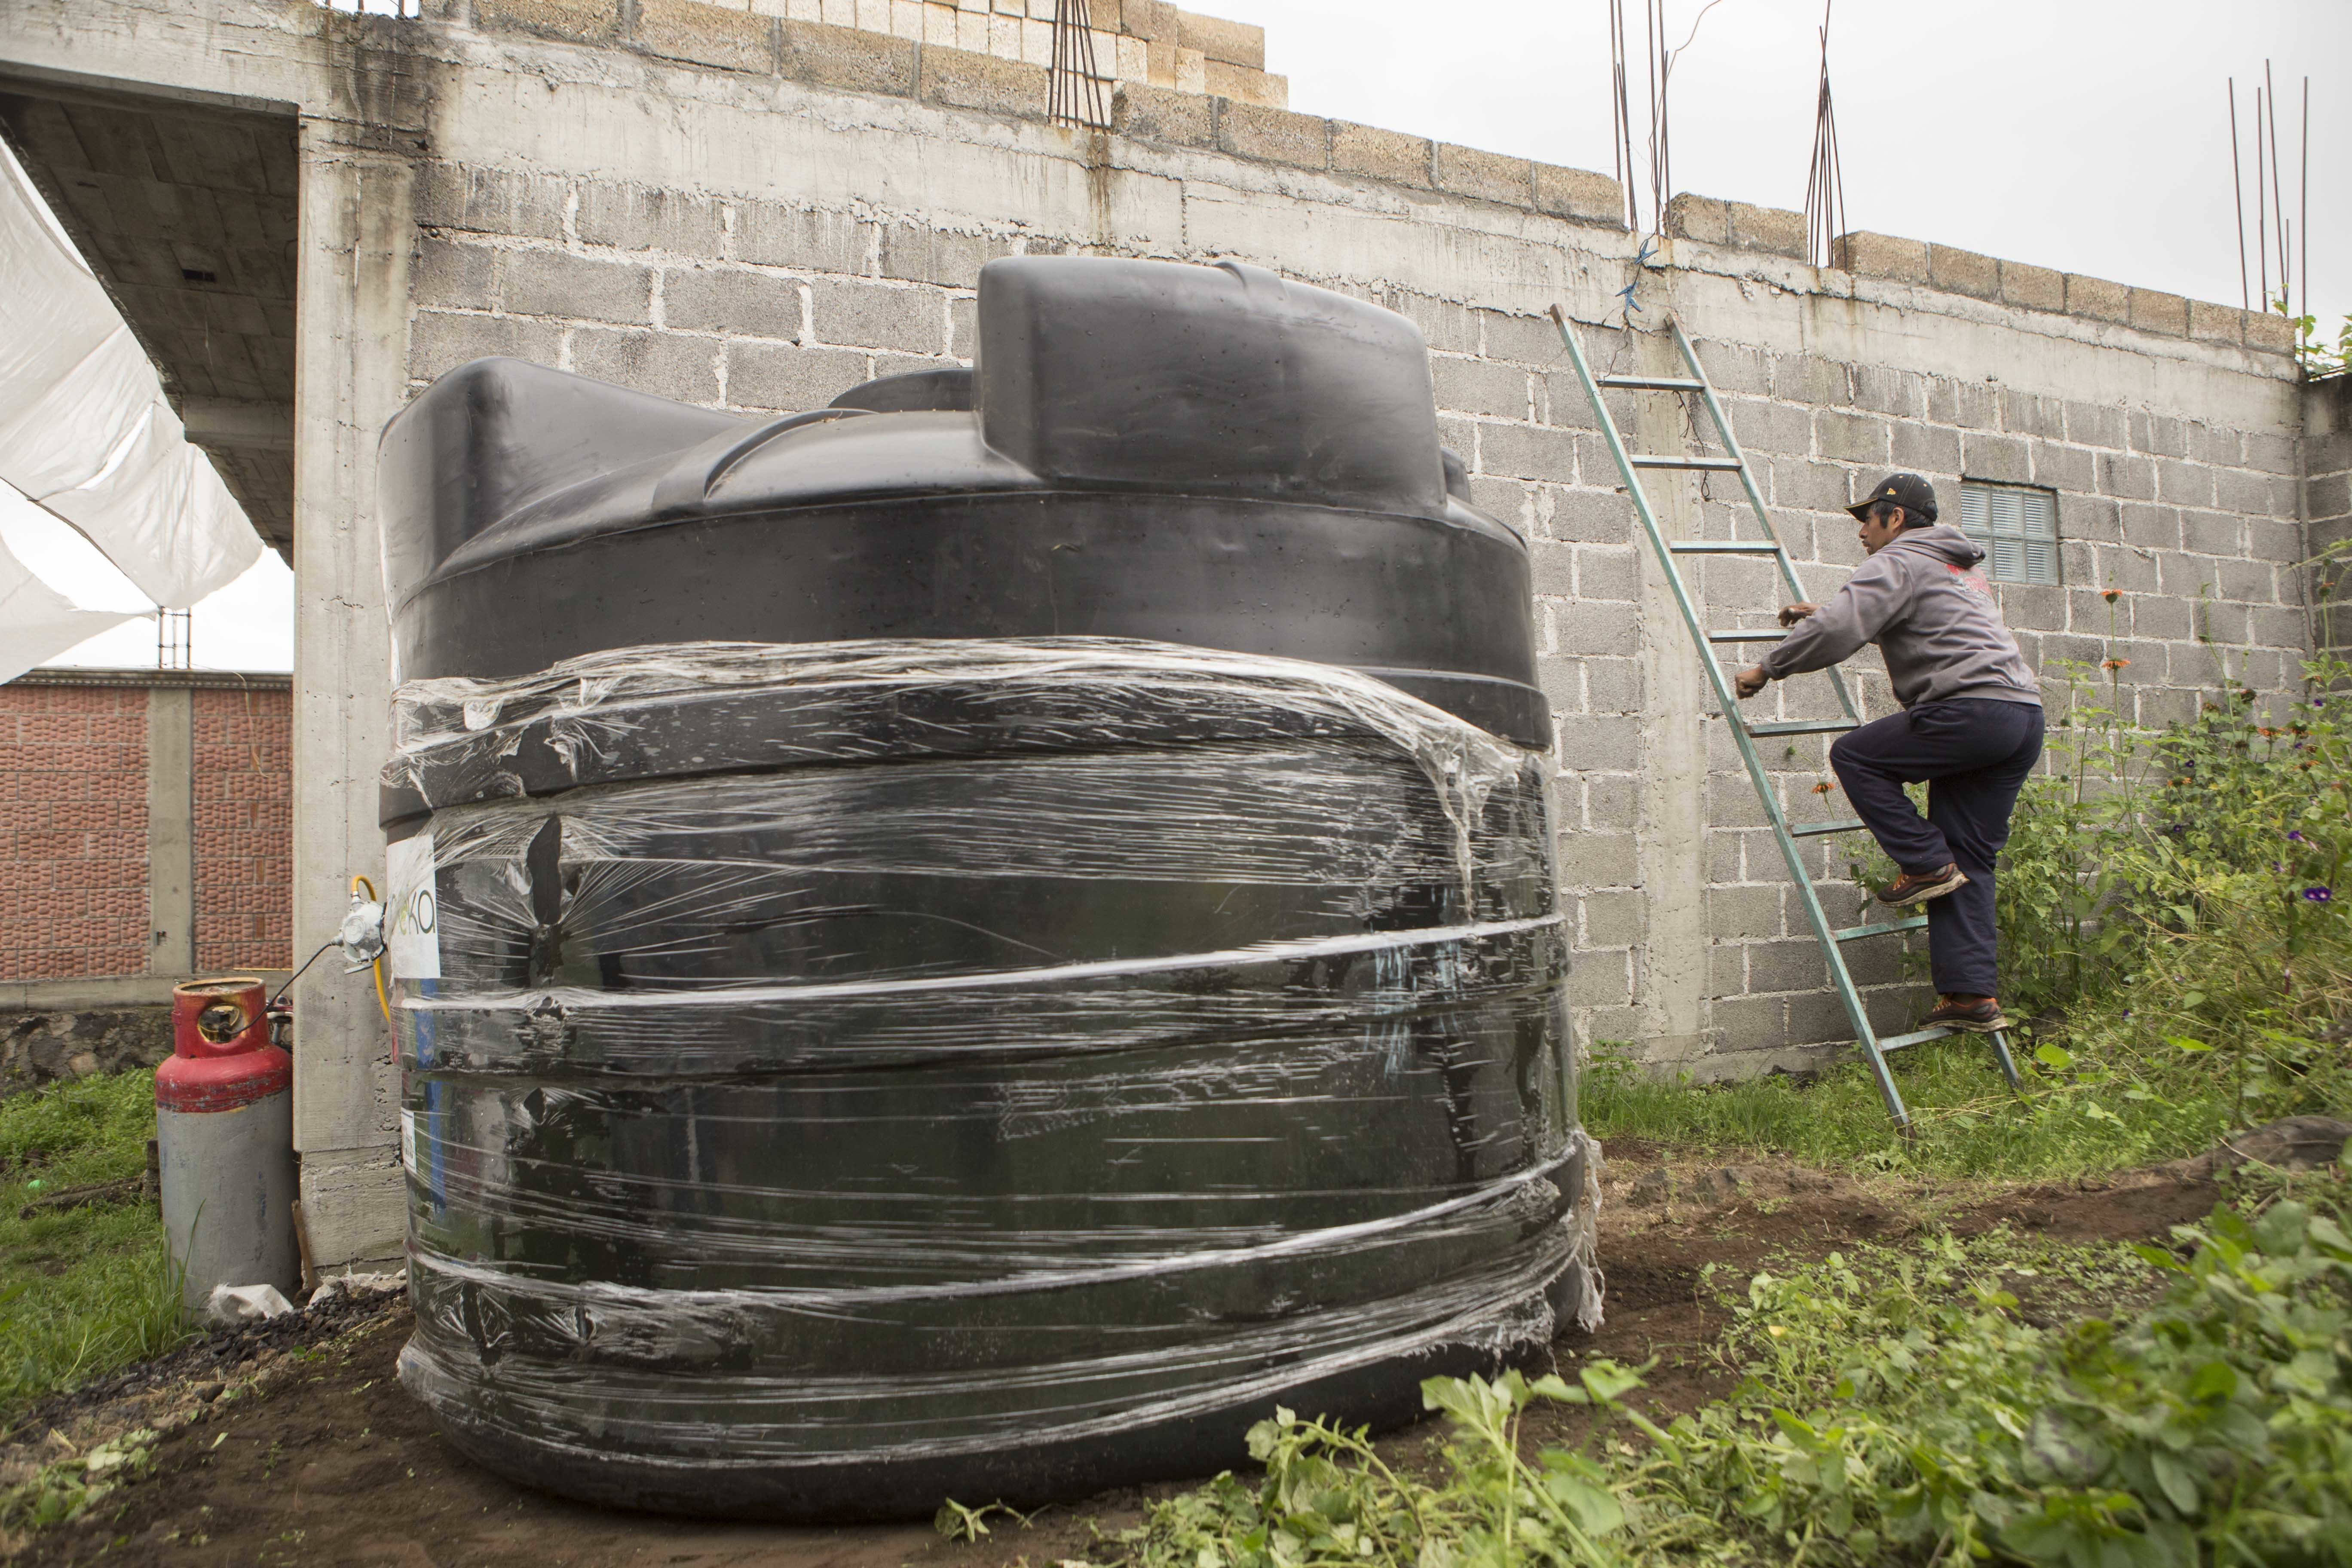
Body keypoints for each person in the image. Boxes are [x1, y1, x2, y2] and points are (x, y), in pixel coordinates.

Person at [1731, 474, 2044, 1033]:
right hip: (2019, 718)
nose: (1861, 533)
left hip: (1968, 712)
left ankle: (1922, 863)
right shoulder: (1955, 566)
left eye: (1866, 519)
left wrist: (1766, 668)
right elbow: (1919, 623)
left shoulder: (1899, 559)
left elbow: (1849, 625)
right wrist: (1825, 614)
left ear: (1894, 518)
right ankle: (1970, 995)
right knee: (1967, 859)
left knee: (1858, 756)